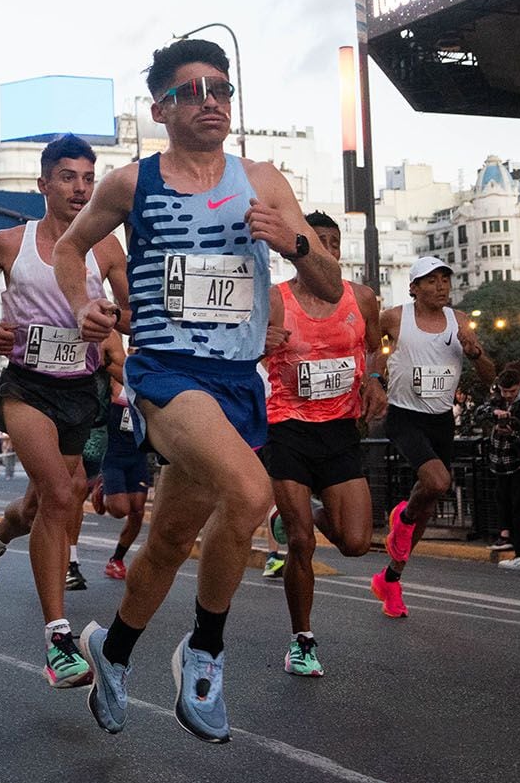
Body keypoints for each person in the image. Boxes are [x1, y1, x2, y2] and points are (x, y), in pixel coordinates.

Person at [61, 38, 338, 742]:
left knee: (170, 540)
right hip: (166, 373)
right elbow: (70, 246)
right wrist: (82, 308)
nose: (211, 99)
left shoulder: (265, 180)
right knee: (251, 493)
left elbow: (330, 288)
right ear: (161, 108)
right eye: (192, 90)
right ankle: (206, 649)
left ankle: (112, 650)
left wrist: (295, 244)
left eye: (221, 87)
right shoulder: (133, 183)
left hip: (236, 382)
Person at [0, 134, 128, 688]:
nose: (80, 188)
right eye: (68, 177)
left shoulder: (106, 249)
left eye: (88, 178)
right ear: (44, 184)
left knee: (52, 497)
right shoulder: (9, 244)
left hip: (81, 389)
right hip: (26, 388)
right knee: (58, 494)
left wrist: (112, 322)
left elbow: (131, 312)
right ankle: (58, 642)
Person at [259, 212, 385, 677]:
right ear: (300, 249)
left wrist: (374, 379)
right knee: (301, 542)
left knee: (355, 542)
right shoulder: (275, 299)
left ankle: (302, 517)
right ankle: (302, 641)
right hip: (287, 426)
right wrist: (259, 341)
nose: (327, 249)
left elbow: (374, 347)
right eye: (318, 241)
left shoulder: (363, 298)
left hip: (339, 431)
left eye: (334, 241)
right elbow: (241, 347)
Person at [374, 255, 496, 617]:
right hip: (403, 415)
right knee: (438, 482)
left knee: (427, 504)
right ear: (413, 288)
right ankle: (403, 518)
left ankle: (391, 579)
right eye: (431, 280)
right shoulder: (395, 317)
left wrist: (476, 353)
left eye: (445, 279)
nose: (441, 286)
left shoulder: (459, 322)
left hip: (441, 418)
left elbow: (491, 377)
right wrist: (374, 379)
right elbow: (368, 346)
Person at [479, 364, 520, 572]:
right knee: (506, 504)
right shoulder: (499, 400)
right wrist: (495, 412)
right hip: (500, 464)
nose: (508, 396)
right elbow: (480, 412)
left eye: (512, 392)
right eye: (504, 391)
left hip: (519, 465)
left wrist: (512, 433)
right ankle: (515, 547)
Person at [95, 333, 149, 581]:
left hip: (138, 456)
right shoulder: (120, 377)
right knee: (119, 510)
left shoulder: (151, 381)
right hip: (115, 455)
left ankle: (116, 559)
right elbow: (103, 359)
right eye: (136, 349)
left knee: (137, 510)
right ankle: (104, 485)